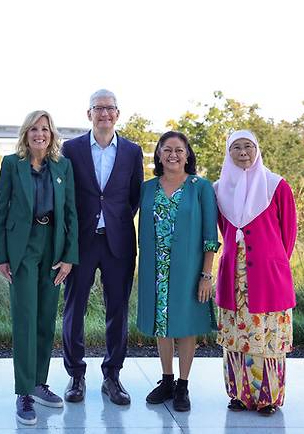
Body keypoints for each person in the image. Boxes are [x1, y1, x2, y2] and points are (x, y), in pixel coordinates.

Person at [0, 110, 78, 425]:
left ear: (52, 134)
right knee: (25, 319)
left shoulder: (62, 166)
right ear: (26, 134)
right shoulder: (12, 165)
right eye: (34, 129)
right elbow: (1, 210)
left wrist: (70, 256)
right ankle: (24, 391)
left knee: (45, 319)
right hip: (23, 248)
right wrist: (1, 255)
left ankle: (40, 383)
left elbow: (70, 213)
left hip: (53, 246)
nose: (40, 134)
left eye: (45, 129)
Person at [61, 89, 143, 405]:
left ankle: (112, 376)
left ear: (117, 114)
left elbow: (134, 196)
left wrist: (115, 221)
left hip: (118, 242)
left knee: (117, 310)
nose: (105, 114)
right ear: (89, 114)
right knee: (74, 309)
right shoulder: (72, 149)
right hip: (81, 242)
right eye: (99, 108)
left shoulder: (132, 152)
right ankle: (76, 375)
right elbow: (66, 196)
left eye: (110, 108)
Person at [214, 129, 297, 415]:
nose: (243, 152)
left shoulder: (277, 186)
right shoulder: (219, 189)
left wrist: (273, 263)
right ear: (228, 153)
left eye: (248, 146)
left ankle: (268, 398)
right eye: (236, 147)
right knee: (236, 337)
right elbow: (220, 232)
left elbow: (289, 233)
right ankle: (239, 394)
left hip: (268, 277)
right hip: (233, 277)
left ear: (257, 149)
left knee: (266, 337)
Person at [136, 131, 220, 411]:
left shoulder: (201, 187)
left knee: (185, 325)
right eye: (167, 149)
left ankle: (183, 385)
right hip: (154, 267)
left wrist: (206, 274)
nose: (173, 154)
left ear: (187, 155)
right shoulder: (147, 188)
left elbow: (210, 234)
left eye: (179, 150)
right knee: (162, 323)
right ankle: (167, 380)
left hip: (189, 268)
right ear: (158, 154)